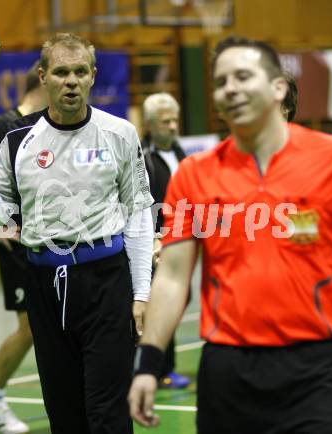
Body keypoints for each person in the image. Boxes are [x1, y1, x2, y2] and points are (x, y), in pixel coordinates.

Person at [128, 35, 332, 434]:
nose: (230, 88)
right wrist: (148, 363)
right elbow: (174, 277)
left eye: (243, 76)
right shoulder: (194, 174)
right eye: (220, 81)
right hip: (229, 371)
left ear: (278, 87)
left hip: (319, 367)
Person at [0, 32, 154, 434]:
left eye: (80, 72)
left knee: (107, 411)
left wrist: (142, 292)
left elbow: (139, 214)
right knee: (63, 411)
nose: (71, 81)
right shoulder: (17, 141)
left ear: (93, 76)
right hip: (45, 284)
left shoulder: (119, 133)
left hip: (106, 282)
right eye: (61, 72)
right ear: (43, 77)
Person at [0, 61, 47, 434]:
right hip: (16, 243)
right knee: (30, 327)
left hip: (48, 238)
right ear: (43, 81)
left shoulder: (48, 126)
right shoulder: (4, 125)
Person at [141, 92, 190, 389]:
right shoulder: (143, 158)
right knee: (159, 302)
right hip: (155, 245)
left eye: (175, 120)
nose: (172, 126)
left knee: (180, 298)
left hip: (180, 240)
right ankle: (158, 368)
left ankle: (161, 365)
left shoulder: (181, 152)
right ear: (149, 125)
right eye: (165, 121)